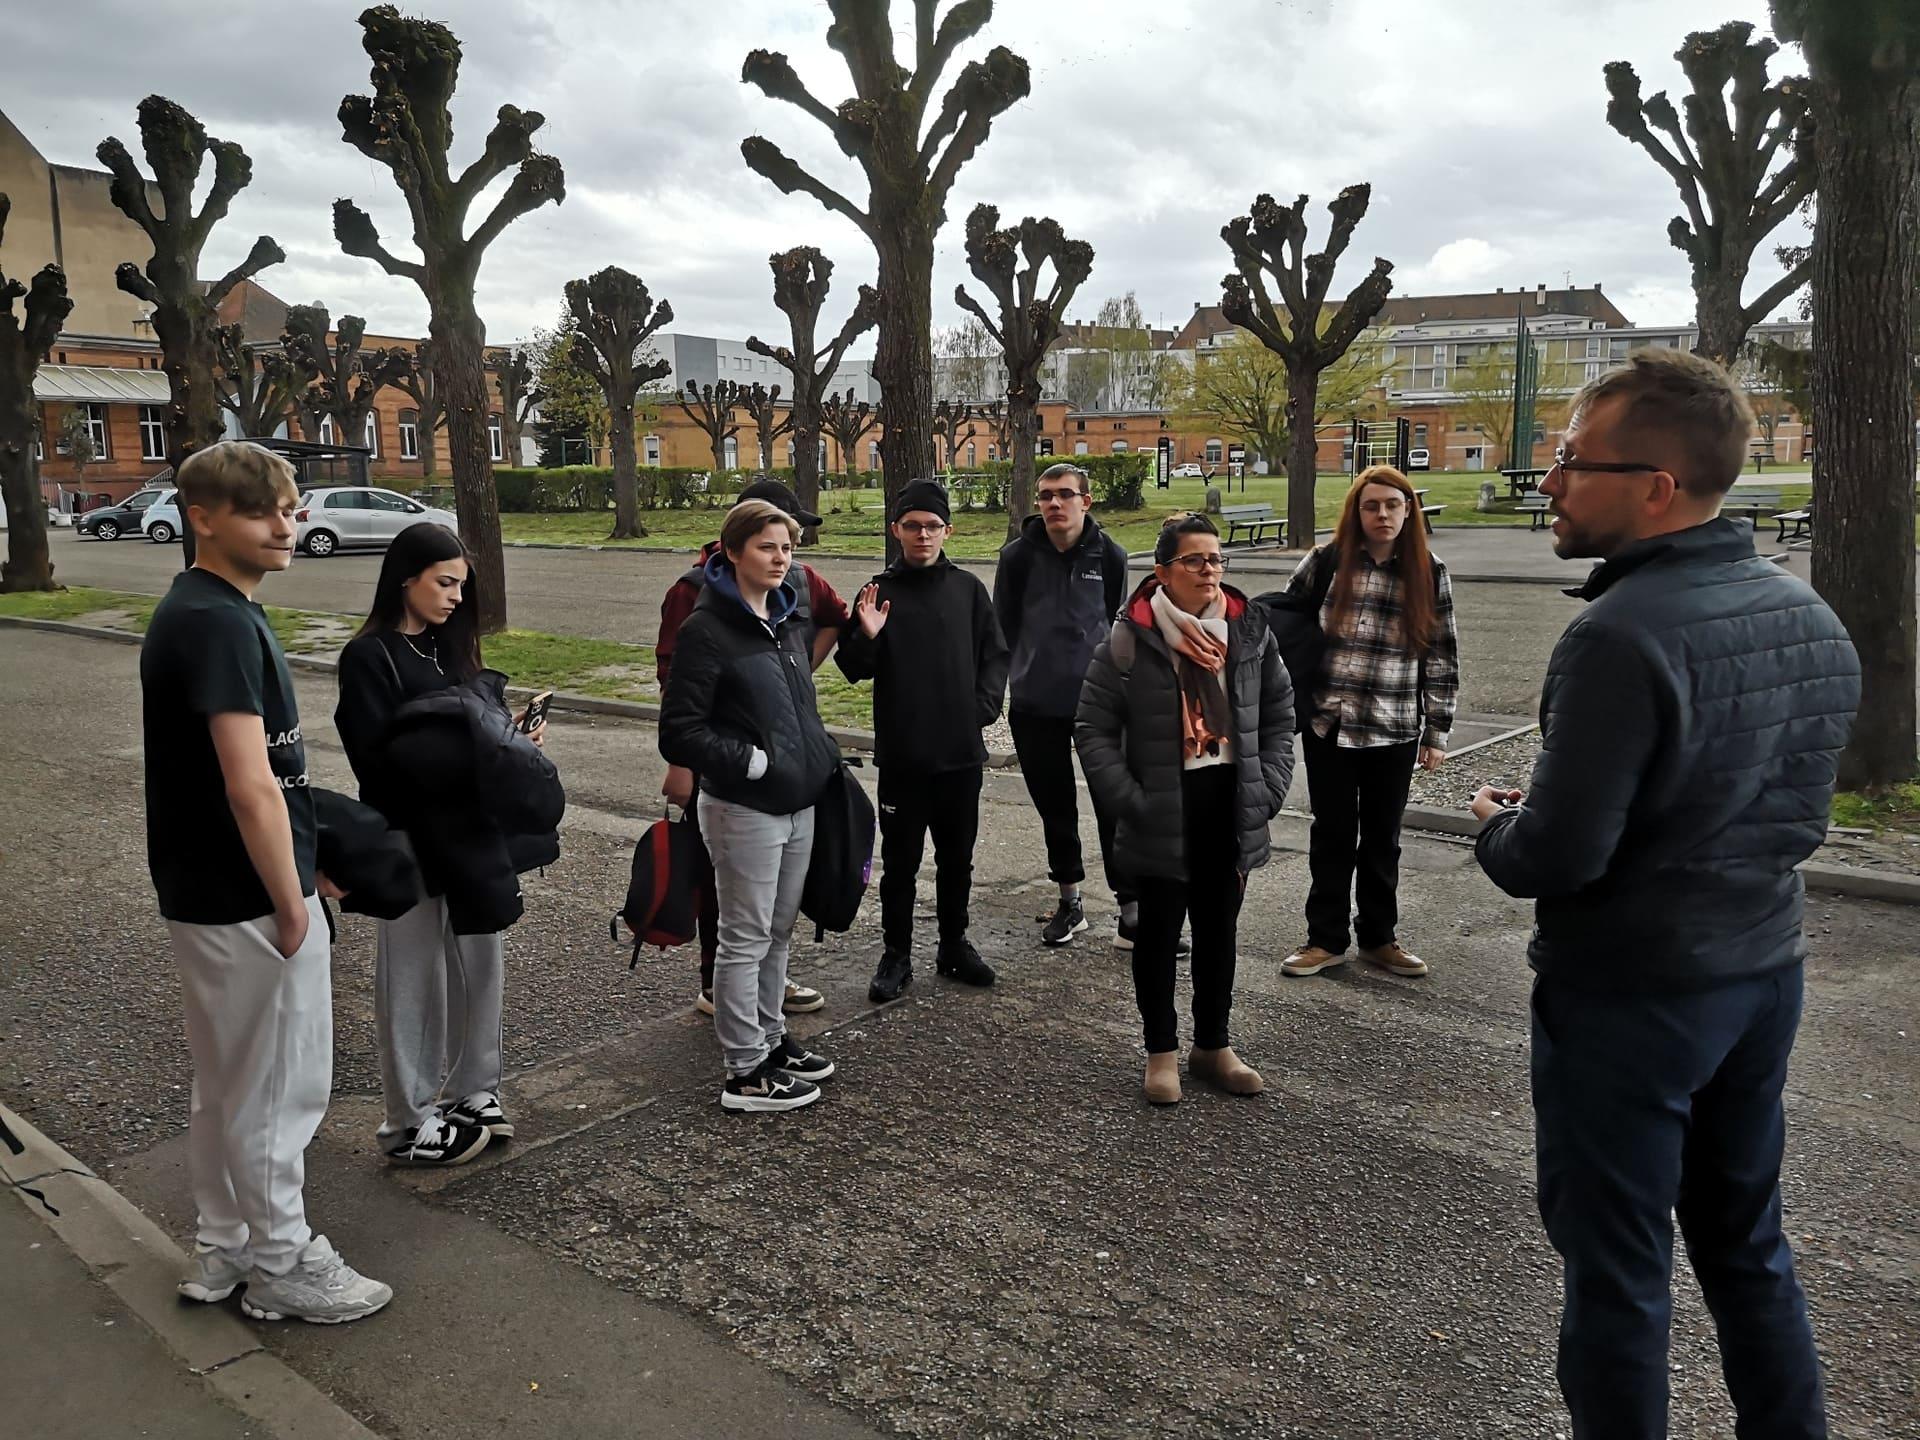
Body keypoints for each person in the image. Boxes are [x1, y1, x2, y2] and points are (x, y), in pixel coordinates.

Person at [1471, 349, 1859, 1438]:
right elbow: (1778, 810)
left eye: (1570, 461)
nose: (1548, 482)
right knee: (1748, 1247)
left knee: (1619, 1272)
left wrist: (1501, 822)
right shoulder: (1809, 617)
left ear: (1658, 486)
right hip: (1761, 975)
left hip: (1633, 998)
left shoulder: (1618, 635)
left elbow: (1558, 858)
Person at [140, 441, 390, 1324]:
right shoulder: (213, 620)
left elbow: (261, 782)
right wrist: (293, 900)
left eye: (289, 509)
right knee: (281, 1088)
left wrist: (305, 856)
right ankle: (284, 1262)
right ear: (201, 517)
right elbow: (249, 782)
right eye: (261, 512)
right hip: (246, 896)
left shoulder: (203, 610)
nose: (286, 525)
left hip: (210, 886)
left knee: (229, 1081)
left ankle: (226, 1247)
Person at [334, 523, 549, 1168]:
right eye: (444, 582)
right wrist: (476, 756)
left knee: (481, 963)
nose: (456, 597)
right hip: (407, 834)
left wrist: (512, 747)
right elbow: (376, 761)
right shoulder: (369, 656)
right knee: (412, 978)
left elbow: (469, 734)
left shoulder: (452, 651)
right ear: (406, 577)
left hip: (472, 831)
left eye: (462, 584)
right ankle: (407, 1118)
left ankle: (473, 1091)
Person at [1076, 514, 1294, 1105]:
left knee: (1219, 934)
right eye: (1196, 561)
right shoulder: (1129, 639)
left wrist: (1268, 788)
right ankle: (1162, 1051)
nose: (1210, 571)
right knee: (1158, 937)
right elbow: (1093, 729)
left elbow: (1278, 714)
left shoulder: (1248, 632)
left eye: (1216, 560)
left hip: (1228, 803)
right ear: (1164, 570)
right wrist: (1130, 801)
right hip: (1160, 808)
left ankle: (1213, 1046)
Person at [659, 499, 842, 1113]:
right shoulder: (706, 629)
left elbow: (796, 706)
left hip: (798, 801)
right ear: (732, 551)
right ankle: (745, 1070)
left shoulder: (786, 618)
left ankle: (769, 1038)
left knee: (777, 932)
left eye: (787, 547)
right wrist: (751, 762)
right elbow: (680, 732)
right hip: (743, 807)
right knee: (744, 936)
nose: (780, 558)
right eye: (767, 546)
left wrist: (815, 757)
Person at [1278, 465, 1458, 982]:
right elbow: (1284, 622)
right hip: (1330, 723)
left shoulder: (1430, 571)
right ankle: (1325, 939)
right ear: (1357, 512)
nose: (1383, 514)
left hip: (1395, 725)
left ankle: (1379, 938)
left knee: (1383, 838)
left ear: (1409, 511)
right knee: (1331, 833)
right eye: (1372, 506)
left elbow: (1442, 655)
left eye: (1393, 505)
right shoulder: (1328, 561)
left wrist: (1437, 733)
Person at [836, 479, 1008, 1002]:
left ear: (947, 530)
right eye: (912, 525)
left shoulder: (968, 589)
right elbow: (851, 668)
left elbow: (994, 654)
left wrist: (980, 707)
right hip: (905, 755)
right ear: (896, 530)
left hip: (959, 755)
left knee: (958, 858)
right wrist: (865, 633)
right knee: (903, 860)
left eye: (933, 526)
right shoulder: (878, 590)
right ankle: (897, 952)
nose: (923, 535)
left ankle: (953, 944)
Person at [993, 462, 1135, 948]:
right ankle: (1070, 902)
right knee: (1056, 809)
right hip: (1036, 704)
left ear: (1085, 501)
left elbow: (1116, 625)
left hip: (1099, 707)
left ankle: (1131, 911)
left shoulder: (1111, 556)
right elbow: (1003, 629)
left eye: (1064, 495)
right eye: (1046, 496)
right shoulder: (1016, 558)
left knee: (1114, 808)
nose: (1054, 504)